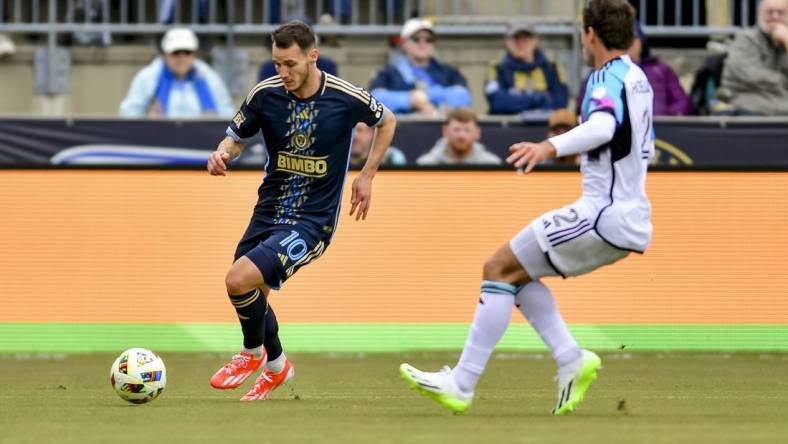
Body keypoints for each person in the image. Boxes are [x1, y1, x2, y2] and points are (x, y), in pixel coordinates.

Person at [400, 0, 654, 416]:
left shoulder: (605, 76)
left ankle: (461, 383)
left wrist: (548, 146)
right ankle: (571, 358)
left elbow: (605, 125)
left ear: (590, 33)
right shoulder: (638, 78)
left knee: (497, 268)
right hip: (627, 211)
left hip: (603, 213)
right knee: (515, 274)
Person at [206, 21, 396, 401]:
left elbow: (386, 120)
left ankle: (251, 353)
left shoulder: (344, 97)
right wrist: (222, 153)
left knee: (238, 280)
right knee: (252, 290)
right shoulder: (266, 94)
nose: (283, 73)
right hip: (269, 209)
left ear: (313, 55)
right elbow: (238, 138)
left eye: (290, 64)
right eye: (277, 64)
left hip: (313, 221)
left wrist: (367, 175)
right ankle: (277, 367)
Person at [576, 20, 691, 116]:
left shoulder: (660, 70)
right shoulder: (602, 72)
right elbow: (583, 108)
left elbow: (683, 103)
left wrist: (660, 118)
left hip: (661, 134)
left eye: (633, 38)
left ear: (642, 43)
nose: (628, 44)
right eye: (624, 39)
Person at [119, 28, 234, 118]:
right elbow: (129, 114)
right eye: (176, 52)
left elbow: (226, 113)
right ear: (165, 54)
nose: (181, 57)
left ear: (194, 54)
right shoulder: (148, 77)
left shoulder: (209, 77)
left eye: (187, 52)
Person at [369, 17, 472, 116]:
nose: (423, 43)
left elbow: (463, 97)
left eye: (429, 39)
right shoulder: (387, 73)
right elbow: (375, 101)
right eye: (416, 39)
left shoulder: (449, 72)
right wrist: (409, 100)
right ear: (404, 43)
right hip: (401, 131)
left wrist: (426, 96)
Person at [718, 0, 788, 115]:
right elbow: (751, 75)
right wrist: (782, 80)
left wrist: (786, 41)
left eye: (780, 12)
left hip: (778, 98)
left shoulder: (785, 39)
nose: (775, 17)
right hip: (747, 97)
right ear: (759, 14)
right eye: (770, 12)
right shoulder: (746, 37)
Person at [485, 20, 569, 115]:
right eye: (516, 38)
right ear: (506, 41)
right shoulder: (496, 68)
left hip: (545, 127)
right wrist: (540, 98)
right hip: (508, 128)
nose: (521, 43)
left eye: (526, 38)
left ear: (535, 40)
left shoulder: (552, 67)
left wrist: (515, 99)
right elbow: (498, 102)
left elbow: (560, 103)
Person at [415, 108, 502, 166]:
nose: (461, 136)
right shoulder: (425, 165)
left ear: (477, 133)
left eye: (467, 130)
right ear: (445, 131)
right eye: (456, 129)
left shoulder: (492, 165)